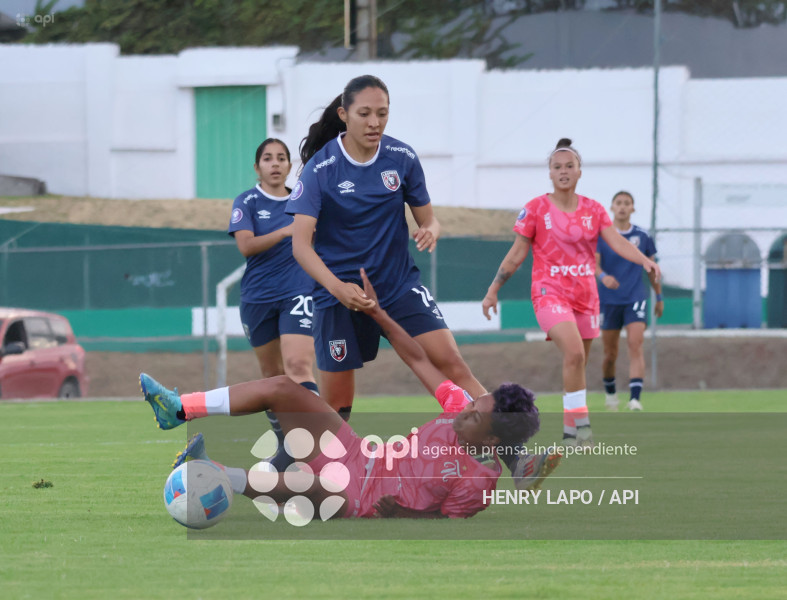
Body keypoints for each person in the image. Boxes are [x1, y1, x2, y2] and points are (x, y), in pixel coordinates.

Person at [141, 269, 549, 520]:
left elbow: (447, 520)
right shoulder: (460, 406)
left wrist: (402, 514)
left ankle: (212, 472)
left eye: (475, 417)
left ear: (493, 441)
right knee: (285, 387)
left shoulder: (480, 481)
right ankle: (180, 409)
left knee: (320, 487)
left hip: (361, 499)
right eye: (474, 403)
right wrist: (377, 314)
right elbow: (420, 360)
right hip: (356, 454)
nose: (465, 412)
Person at [285, 74, 485, 422]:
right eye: (365, 113)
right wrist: (337, 288)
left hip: (397, 287)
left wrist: (430, 230)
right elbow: (300, 247)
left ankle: (517, 453)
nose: (375, 122)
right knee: (337, 407)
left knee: (452, 364)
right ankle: (326, 472)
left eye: (383, 113)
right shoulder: (320, 169)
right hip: (338, 296)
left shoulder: (401, 157)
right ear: (344, 114)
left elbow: (429, 219)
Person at [482, 139, 660, 446]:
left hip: (586, 297)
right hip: (549, 293)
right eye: (557, 167)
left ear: (579, 172)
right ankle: (583, 428)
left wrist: (645, 261)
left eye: (569, 166)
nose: (563, 171)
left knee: (577, 363)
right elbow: (516, 254)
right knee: (574, 353)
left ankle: (569, 432)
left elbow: (617, 242)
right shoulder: (536, 209)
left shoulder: (594, 209)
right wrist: (493, 289)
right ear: (549, 174)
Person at [228, 138, 319, 469]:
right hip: (257, 298)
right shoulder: (247, 201)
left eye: (282, 158)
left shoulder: (303, 199)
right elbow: (246, 246)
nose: (276, 164)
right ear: (258, 167)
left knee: (297, 366)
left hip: (298, 293)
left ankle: (318, 445)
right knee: (272, 376)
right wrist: (285, 231)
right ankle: (287, 451)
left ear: (289, 165)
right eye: (268, 158)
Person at [595, 190, 663, 411]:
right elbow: (593, 265)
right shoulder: (602, 236)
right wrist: (603, 277)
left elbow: (652, 269)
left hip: (636, 297)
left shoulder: (643, 237)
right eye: (619, 203)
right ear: (612, 207)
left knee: (635, 344)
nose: (623, 207)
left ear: (633, 208)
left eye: (627, 203)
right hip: (608, 300)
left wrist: (659, 296)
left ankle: (635, 399)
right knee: (610, 353)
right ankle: (611, 393)